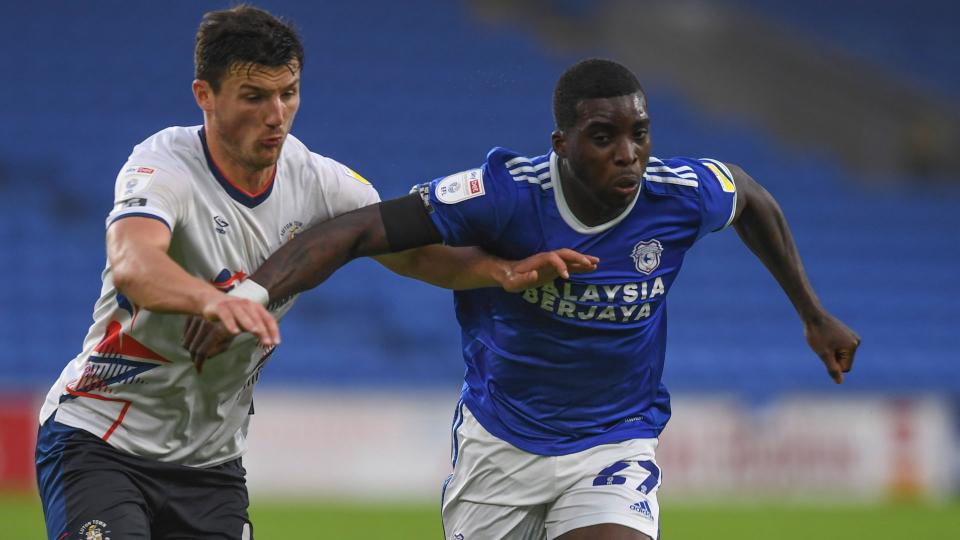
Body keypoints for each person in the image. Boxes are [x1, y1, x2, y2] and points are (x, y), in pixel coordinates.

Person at [202, 58, 862, 540]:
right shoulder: (504, 194)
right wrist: (253, 292)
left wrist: (812, 312)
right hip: (503, 446)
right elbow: (360, 229)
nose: (628, 155)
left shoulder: (680, 193)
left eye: (640, 133)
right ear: (562, 146)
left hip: (613, 441)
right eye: (604, 137)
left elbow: (750, 195)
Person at [34, 6, 597, 540]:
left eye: (288, 93)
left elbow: (415, 256)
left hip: (209, 466)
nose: (275, 115)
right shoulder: (163, 165)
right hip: (99, 438)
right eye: (254, 97)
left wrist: (500, 270)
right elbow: (134, 264)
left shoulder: (323, 184)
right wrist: (214, 301)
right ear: (204, 96)